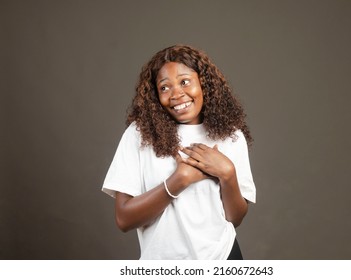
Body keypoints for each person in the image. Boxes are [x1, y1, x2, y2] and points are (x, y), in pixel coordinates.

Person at [102, 45, 256, 260]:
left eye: (185, 82)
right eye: (164, 87)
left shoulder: (230, 136)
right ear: (155, 95)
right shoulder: (139, 135)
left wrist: (227, 174)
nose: (176, 94)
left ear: (204, 83)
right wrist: (179, 180)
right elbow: (124, 219)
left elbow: (235, 218)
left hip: (223, 258)